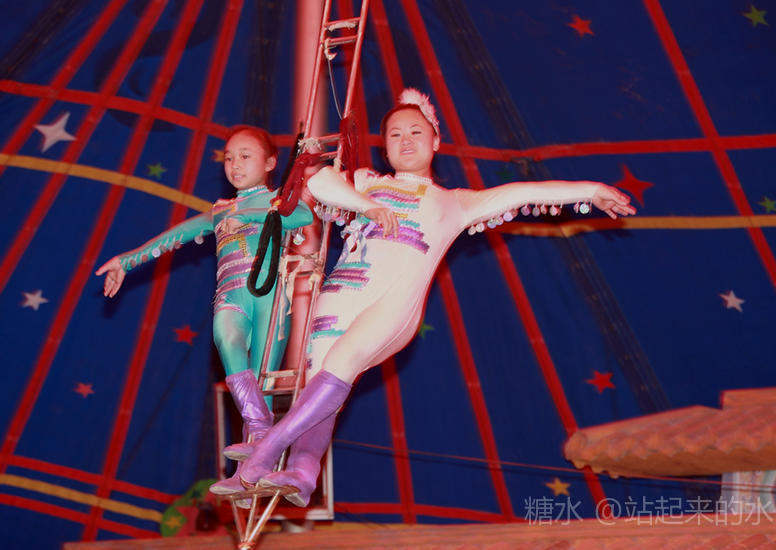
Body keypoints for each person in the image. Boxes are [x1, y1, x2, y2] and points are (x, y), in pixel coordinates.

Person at [230, 89, 637, 506]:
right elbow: (318, 180)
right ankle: (303, 472)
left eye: (415, 132)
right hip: (338, 298)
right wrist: (364, 206)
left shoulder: (455, 203)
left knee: (340, 365)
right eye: (394, 134)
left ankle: (265, 452)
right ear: (385, 146)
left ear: (436, 141)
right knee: (320, 389)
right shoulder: (366, 183)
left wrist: (591, 190)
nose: (405, 140)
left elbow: (524, 192)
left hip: (391, 306)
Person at [95, 125, 313, 496]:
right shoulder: (220, 211)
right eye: (228, 158)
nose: (234, 164)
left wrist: (250, 216)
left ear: (270, 163)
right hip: (230, 296)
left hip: (270, 297)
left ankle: (251, 467)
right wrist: (127, 261)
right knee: (226, 339)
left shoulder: (278, 202)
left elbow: (303, 216)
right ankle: (261, 434)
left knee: (260, 381)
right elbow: (174, 236)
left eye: (245, 156)